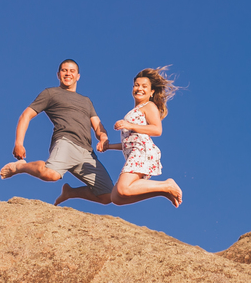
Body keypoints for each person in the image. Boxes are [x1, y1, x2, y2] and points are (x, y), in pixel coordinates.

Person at [55, 66, 182, 208]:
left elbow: (157, 130)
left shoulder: (149, 106)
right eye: (136, 85)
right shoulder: (135, 110)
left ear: (152, 92)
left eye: (144, 86)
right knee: (116, 197)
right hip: (135, 151)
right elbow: (130, 142)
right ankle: (163, 191)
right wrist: (110, 146)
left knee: (122, 188)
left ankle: (167, 184)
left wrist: (129, 125)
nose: (139, 88)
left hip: (143, 153)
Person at [0, 60, 115, 198]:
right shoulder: (51, 93)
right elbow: (26, 115)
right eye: (64, 70)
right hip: (66, 141)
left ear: (78, 76)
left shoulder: (86, 101)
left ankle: (70, 192)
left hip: (87, 153)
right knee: (51, 174)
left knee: (108, 194)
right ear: (58, 74)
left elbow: (97, 125)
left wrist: (103, 138)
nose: (68, 74)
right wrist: (18, 143)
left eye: (72, 71)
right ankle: (19, 167)